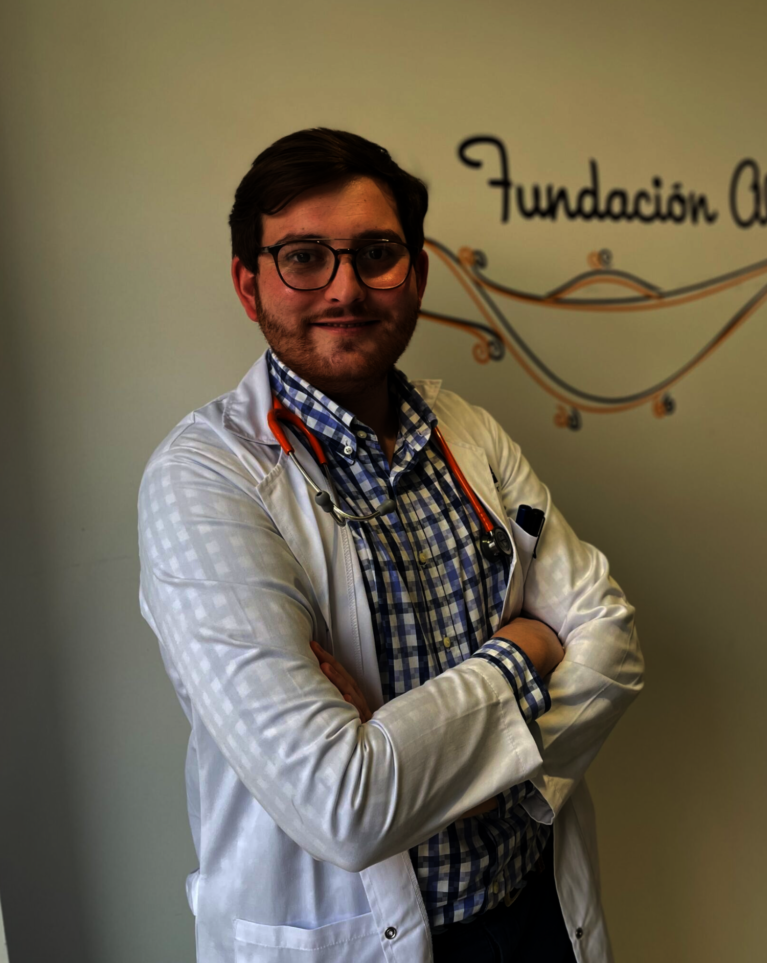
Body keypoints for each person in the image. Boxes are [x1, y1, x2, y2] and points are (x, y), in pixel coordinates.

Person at [138, 127, 644, 963]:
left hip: (532, 915)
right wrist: (526, 648)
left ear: (416, 272)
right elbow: (342, 803)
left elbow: (612, 641)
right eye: (303, 257)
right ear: (248, 283)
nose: (345, 288)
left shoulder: (468, 431)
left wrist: (482, 776)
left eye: (376, 254)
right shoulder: (204, 481)